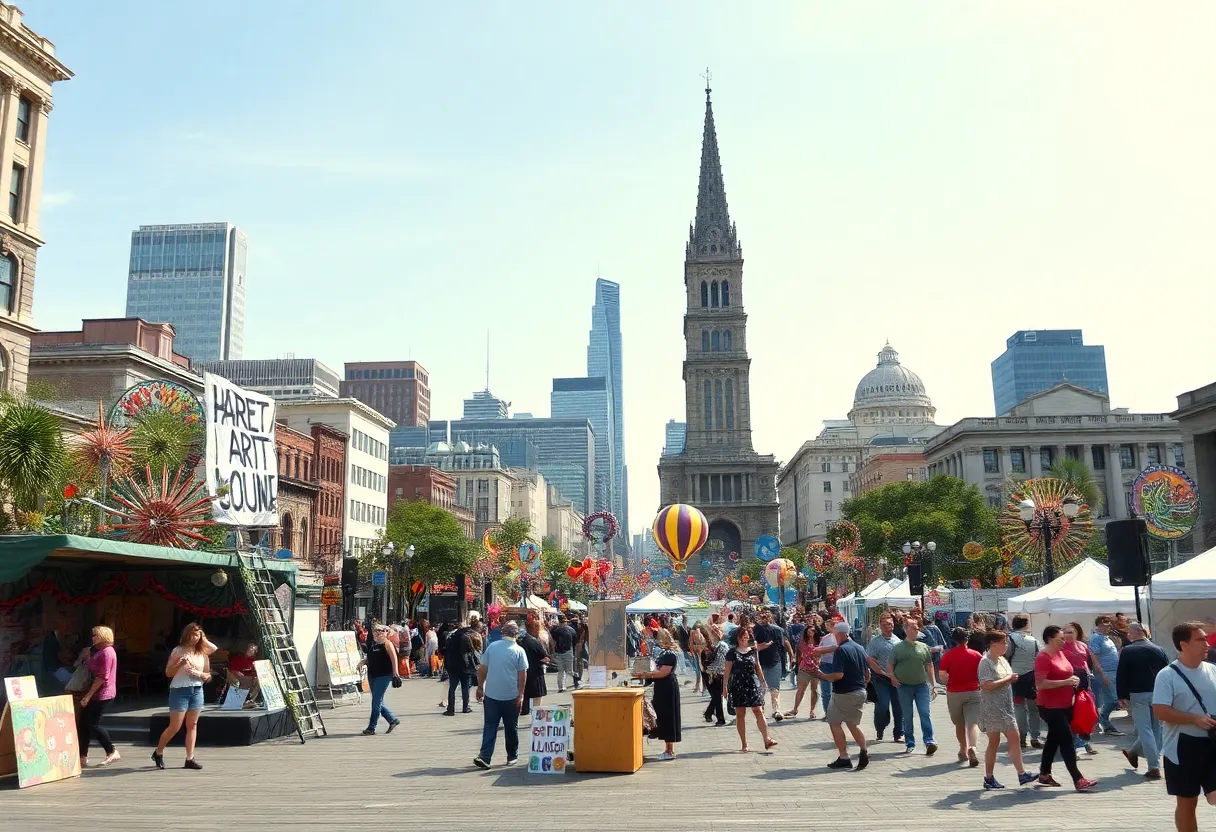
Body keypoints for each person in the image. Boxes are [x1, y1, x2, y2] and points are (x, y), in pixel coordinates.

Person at [1152, 622, 1216, 832]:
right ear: (1183, 644)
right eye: (1200, 639)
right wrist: (1194, 718)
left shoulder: (1213, 670)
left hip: (1212, 742)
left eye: (1206, 638)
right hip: (1182, 747)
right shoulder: (1167, 675)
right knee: (1188, 802)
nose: (1207, 643)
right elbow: (1160, 711)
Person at [1035, 624, 1097, 791]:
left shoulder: (1060, 653)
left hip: (1065, 703)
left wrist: (1073, 679)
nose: (1063, 642)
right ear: (1049, 639)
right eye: (1060, 639)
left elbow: (1066, 672)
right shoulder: (1043, 657)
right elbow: (1040, 683)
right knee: (1066, 739)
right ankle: (1078, 778)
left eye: (1064, 638)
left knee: (1053, 740)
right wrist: (1066, 682)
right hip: (1049, 706)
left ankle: (1044, 774)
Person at [153, 623, 217, 770]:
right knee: (175, 726)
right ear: (187, 634)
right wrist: (180, 664)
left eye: (198, 634)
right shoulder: (178, 650)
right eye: (193, 634)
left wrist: (200, 674)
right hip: (180, 690)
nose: (196, 637)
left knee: (192, 724)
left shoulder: (202, 652)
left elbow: (208, 675)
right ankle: (158, 752)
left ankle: (190, 758)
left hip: (197, 689)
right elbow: (168, 672)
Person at [975, 630, 1035, 789]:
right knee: (1001, 740)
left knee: (1007, 740)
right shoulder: (985, 662)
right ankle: (1005, 775)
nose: (1006, 646)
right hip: (992, 708)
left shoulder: (1002, 660)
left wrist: (1010, 679)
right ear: (994, 644)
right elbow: (986, 685)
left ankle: (1014, 774)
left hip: (1006, 707)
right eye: (1004, 642)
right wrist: (1009, 679)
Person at [474, 620, 529, 768]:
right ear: (516, 634)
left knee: (490, 726)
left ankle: (485, 756)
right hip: (511, 695)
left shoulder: (492, 647)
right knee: (511, 727)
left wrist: (480, 687)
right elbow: (522, 674)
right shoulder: (519, 651)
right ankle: (512, 755)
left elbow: (482, 668)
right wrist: (521, 694)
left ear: (502, 633)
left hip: (491, 694)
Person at [1117, 622, 1167, 780]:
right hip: (1158, 693)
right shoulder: (1159, 649)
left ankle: (1154, 766)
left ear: (1132, 634)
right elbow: (1167, 672)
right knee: (1156, 729)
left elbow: (1122, 674)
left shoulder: (1127, 651)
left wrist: (1121, 695)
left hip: (1138, 694)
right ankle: (1133, 752)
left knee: (1145, 729)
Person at [822, 621, 870, 770]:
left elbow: (838, 675)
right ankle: (863, 751)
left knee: (834, 722)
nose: (835, 637)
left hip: (844, 693)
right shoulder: (859, 647)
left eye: (835, 634)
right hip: (859, 691)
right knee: (852, 724)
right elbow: (867, 672)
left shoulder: (841, 650)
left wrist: (822, 675)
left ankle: (844, 757)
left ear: (840, 634)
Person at [723, 625, 777, 752]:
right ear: (737, 638)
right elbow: (727, 672)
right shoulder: (732, 652)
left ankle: (767, 739)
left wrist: (763, 682)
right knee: (740, 714)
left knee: (758, 710)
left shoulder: (753, 650)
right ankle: (744, 743)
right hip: (737, 684)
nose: (744, 639)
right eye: (742, 637)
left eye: (746, 636)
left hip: (752, 683)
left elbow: (757, 666)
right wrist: (724, 687)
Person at [889, 615, 938, 755]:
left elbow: (929, 666)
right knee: (908, 714)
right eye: (913, 627)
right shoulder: (897, 648)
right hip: (904, 686)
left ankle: (929, 741)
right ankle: (910, 741)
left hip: (921, 685)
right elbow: (891, 664)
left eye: (917, 627)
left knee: (924, 713)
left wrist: (933, 685)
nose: (916, 630)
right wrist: (892, 677)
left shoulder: (923, 647)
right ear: (905, 629)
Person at [633, 628, 681, 760]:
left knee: (668, 717)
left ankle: (669, 750)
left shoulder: (670, 654)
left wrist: (647, 674)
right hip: (662, 687)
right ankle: (667, 748)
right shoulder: (663, 653)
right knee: (662, 716)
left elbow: (663, 672)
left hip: (668, 688)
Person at [77, 626, 120, 768]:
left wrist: (87, 696)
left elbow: (102, 676)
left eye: (95, 635)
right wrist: (88, 657)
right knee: (83, 723)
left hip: (102, 693)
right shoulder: (100, 652)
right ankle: (82, 756)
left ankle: (111, 750)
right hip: (97, 693)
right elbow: (93, 668)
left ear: (102, 636)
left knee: (93, 723)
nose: (92, 638)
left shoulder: (107, 652)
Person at [939, 626, 983, 767]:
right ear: (967, 639)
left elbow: (943, 677)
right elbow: (983, 673)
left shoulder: (948, 656)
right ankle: (973, 747)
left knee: (959, 724)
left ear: (953, 640)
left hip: (954, 693)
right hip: (974, 691)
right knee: (973, 723)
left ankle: (963, 749)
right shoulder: (977, 655)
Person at [1063, 621, 1103, 754]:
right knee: (1072, 714)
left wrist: (1089, 683)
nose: (1068, 635)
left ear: (1077, 633)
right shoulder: (1060, 647)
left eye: (1071, 632)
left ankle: (1084, 742)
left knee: (1086, 713)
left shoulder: (1083, 646)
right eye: (1066, 632)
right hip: (1068, 682)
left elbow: (1087, 664)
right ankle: (1075, 746)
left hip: (1084, 682)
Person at [357, 623, 402, 735]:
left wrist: (395, 674)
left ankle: (372, 727)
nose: (377, 633)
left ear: (386, 632)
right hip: (372, 675)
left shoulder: (388, 644)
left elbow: (394, 659)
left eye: (380, 631)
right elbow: (369, 658)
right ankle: (392, 720)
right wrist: (362, 662)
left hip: (384, 675)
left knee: (376, 702)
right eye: (375, 631)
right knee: (378, 701)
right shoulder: (373, 644)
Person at [865, 612, 903, 742]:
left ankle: (899, 732)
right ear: (880, 625)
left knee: (899, 706)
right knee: (882, 705)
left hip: (897, 679)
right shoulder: (875, 642)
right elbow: (870, 660)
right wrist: (883, 672)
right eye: (886, 624)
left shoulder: (898, 641)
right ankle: (880, 728)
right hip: (881, 679)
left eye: (891, 624)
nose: (889, 626)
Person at [1007, 614, 1042, 749]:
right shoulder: (1033, 640)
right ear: (1026, 625)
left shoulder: (1010, 639)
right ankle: (1035, 736)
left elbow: (1006, 656)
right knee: (1034, 709)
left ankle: (1022, 737)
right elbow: (1039, 657)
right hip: (1031, 677)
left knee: (1019, 707)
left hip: (1015, 676)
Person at [1089, 615, 1124, 735]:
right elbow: (1094, 657)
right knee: (1113, 699)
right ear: (1099, 625)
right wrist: (1102, 674)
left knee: (1113, 699)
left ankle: (1103, 721)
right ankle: (1103, 721)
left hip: (1114, 672)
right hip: (1105, 672)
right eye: (1106, 624)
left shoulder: (1107, 638)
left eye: (1109, 624)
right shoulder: (1096, 638)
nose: (1109, 626)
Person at [753, 609, 790, 722]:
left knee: (773, 689)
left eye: (766, 616)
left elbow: (783, 646)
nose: (764, 619)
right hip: (762, 663)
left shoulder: (777, 630)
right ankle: (764, 710)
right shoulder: (755, 630)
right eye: (763, 616)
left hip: (773, 661)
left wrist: (786, 662)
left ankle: (775, 710)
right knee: (763, 689)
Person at [443, 614, 480, 715]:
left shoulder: (451, 636)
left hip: (453, 666)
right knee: (465, 687)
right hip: (465, 666)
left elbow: (446, 651)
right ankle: (465, 707)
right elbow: (473, 652)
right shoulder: (468, 637)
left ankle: (451, 709)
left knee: (452, 687)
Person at [786, 622, 821, 720]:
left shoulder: (820, 641)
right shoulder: (802, 641)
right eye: (809, 630)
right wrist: (797, 665)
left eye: (814, 630)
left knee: (814, 690)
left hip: (816, 668)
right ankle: (795, 709)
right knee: (801, 690)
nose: (811, 631)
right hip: (804, 668)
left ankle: (812, 710)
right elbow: (799, 654)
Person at [518, 616, 550, 715]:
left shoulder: (520, 641)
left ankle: (524, 710)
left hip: (523, 671)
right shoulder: (535, 642)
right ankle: (537, 713)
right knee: (537, 695)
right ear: (534, 629)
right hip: (536, 672)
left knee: (525, 692)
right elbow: (545, 657)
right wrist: (543, 662)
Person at [701, 625, 729, 726]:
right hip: (714, 673)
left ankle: (720, 719)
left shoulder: (721, 645)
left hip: (717, 674)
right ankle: (710, 713)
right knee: (716, 696)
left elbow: (720, 663)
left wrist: (708, 670)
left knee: (717, 696)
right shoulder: (716, 645)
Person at [224, 642, 261, 707]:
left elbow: (255, 672)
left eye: (255, 650)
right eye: (251, 649)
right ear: (247, 650)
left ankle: (251, 700)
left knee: (259, 680)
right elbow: (231, 669)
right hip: (238, 675)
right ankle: (239, 702)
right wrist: (239, 674)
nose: (253, 651)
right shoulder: (239, 658)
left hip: (250, 676)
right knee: (246, 680)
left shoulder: (255, 661)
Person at [549, 614, 578, 693]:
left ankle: (561, 687)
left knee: (561, 671)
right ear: (565, 621)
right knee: (569, 671)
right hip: (568, 651)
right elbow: (575, 643)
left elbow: (551, 641)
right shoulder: (571, 630)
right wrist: (575, 654)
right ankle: (577, 679)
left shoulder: (554, 630)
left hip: (558, 652)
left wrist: (552, 652)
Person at [688, 623, 707, 695]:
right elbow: (691, 645)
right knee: (699, 670)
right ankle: (700, 686)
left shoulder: (695, 633)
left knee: (700, 670)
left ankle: (700, 686)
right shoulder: (694, 633)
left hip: (700, 653)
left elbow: (692, 644)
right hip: (698, 653)